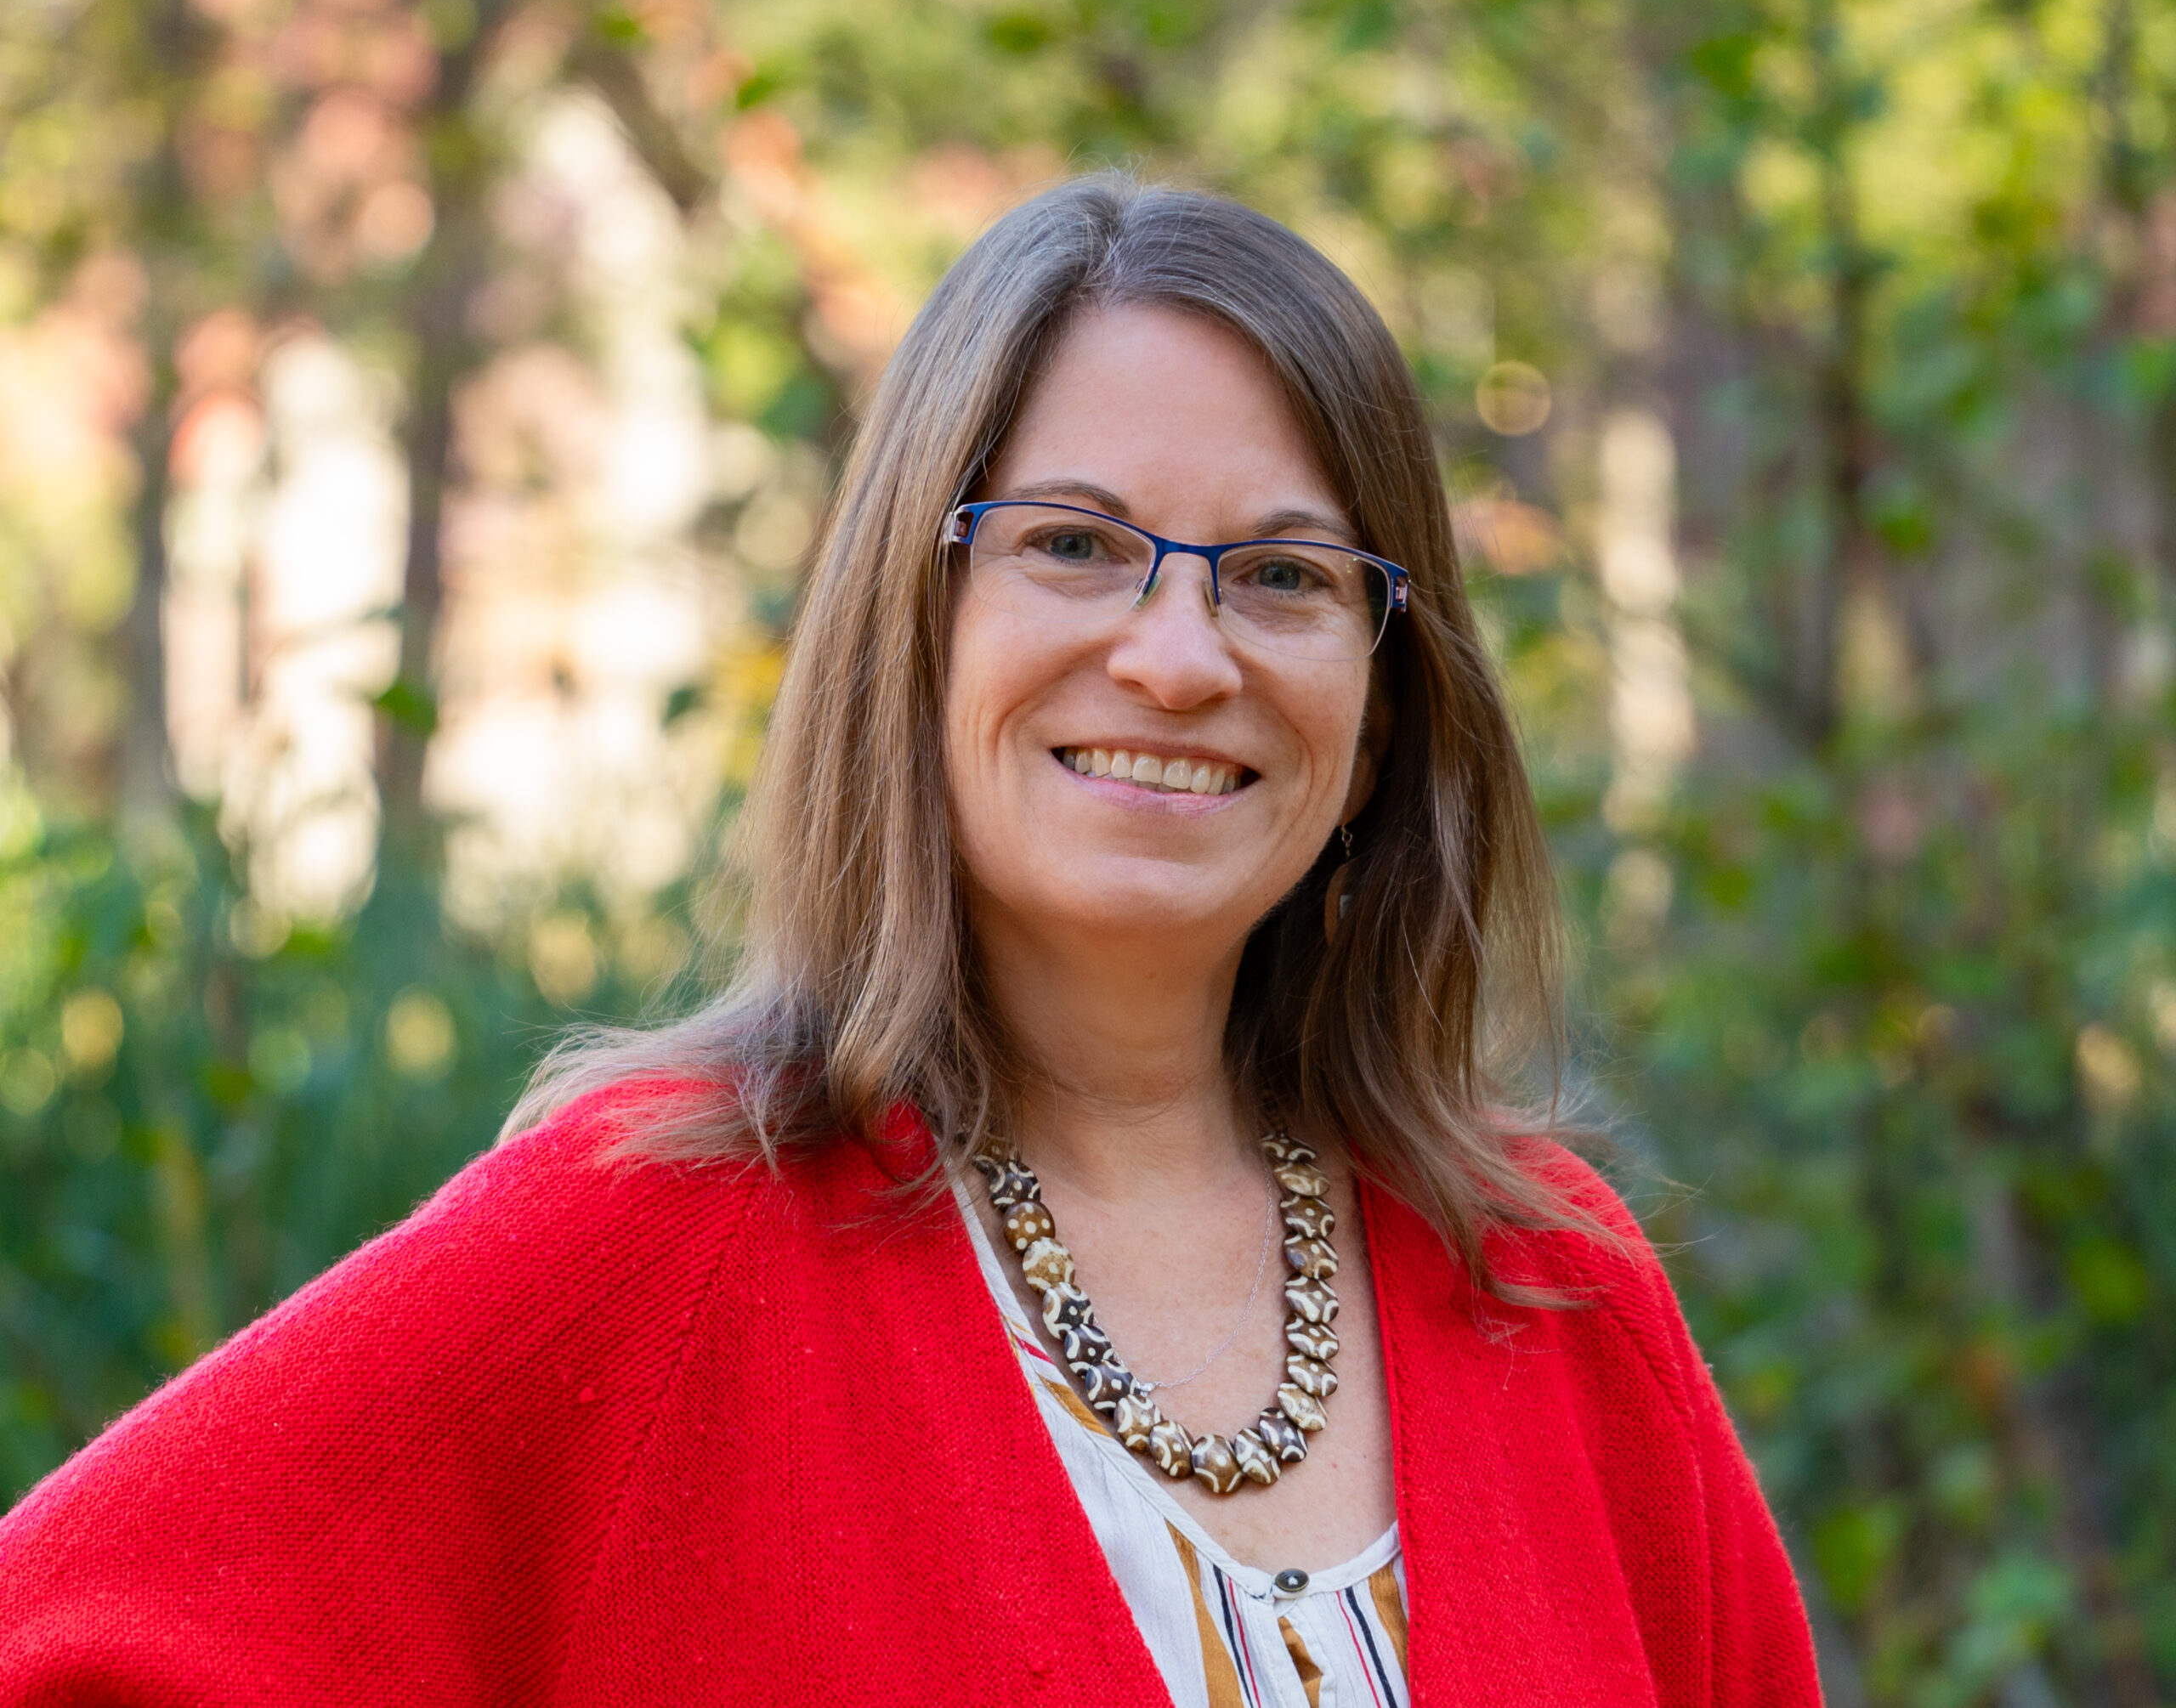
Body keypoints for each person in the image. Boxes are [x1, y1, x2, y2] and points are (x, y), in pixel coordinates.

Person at [0, 177, 1822, 1706]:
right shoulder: (645, 1247)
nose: (1181, 657)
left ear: (1382, 690)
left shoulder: (1551, 1287)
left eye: (1282, 574)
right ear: (914, 611)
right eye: (1073, 545)